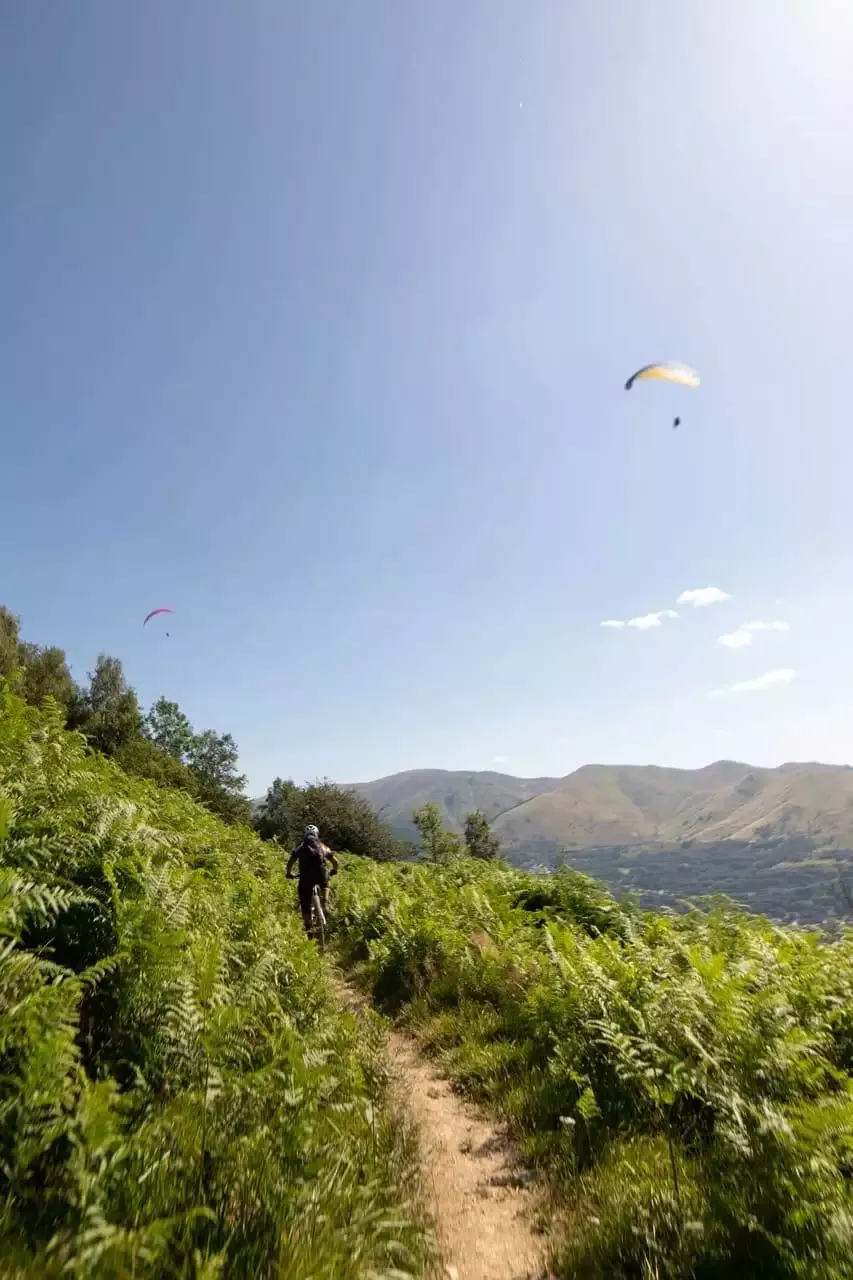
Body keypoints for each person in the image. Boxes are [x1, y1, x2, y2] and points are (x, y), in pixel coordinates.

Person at [286, 825, 339, 936]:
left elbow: (291, 861)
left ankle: (308, 926)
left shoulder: (301, 846)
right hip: (320, 874)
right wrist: (334, 870)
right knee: (325, 883)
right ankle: (325, 902)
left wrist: (289, 873)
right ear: (317, 835)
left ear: (305, 835)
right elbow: (335, 862)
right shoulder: (322, 846)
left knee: (305, 903)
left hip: (305, 877)